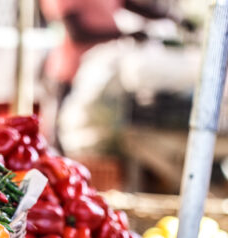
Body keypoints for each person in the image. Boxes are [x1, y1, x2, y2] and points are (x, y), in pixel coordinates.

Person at [40, 0, 188, 146]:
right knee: (59, 132)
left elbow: (133, 6)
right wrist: (123, 35)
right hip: (68, 72)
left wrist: (173, 18)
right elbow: (77, 33)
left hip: (97, 75)